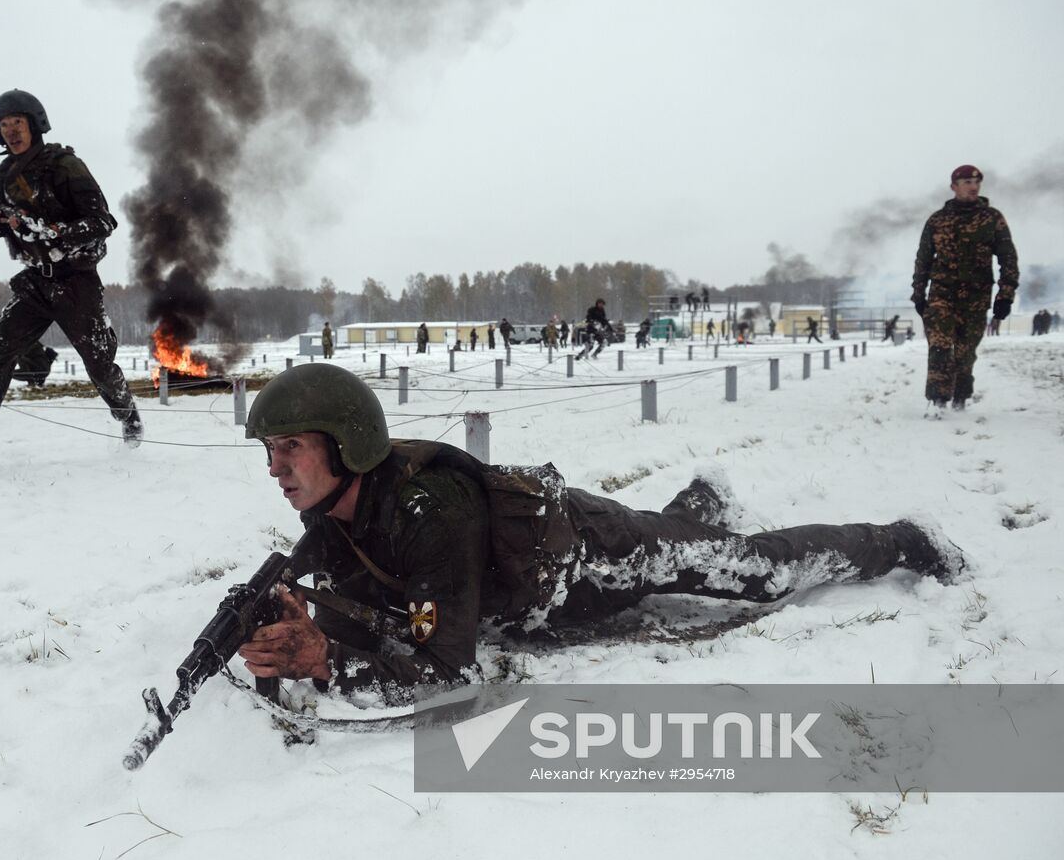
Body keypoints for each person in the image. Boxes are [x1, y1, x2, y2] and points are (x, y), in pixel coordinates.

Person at [236, 366, 964, 696]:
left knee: (752, 572)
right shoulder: (333, 514)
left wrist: (326, 659)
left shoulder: (430, 510)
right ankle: (701, 500)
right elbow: (363, 600)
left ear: (346, 443)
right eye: (270, 452)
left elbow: (448, 675)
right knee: (688, 534)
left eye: (291, 447)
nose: (276, 469)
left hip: (591, 559)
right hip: (539, 570)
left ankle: (899, 538)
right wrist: (307, 617)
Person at [0, 89, 141, 473]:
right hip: (35, 282)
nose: (11, 132)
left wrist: (50, 231)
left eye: (17, 123)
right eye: (4, 126)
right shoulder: (3, 175)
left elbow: (103, 223)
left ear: (34, 123)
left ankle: (129, 418)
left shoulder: (64, 165)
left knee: (99, 364)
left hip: (76, 281)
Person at [912, 164, 1020, 411]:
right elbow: (923, 259)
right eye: (967, 182)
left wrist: (1005, 296)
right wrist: (919, 294)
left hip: (976, 296)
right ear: (954, 187)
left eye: (977, 182)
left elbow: (1008, 259)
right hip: (942, 293)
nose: (973, 187)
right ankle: (938, 400)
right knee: (939, 344)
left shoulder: (992, 219)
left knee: (965, 350)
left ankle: (960, 398)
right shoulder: (937, 221)